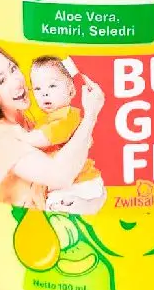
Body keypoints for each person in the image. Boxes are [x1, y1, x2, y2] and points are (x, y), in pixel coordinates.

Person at [0, 43, 104, 210]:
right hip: (22, 223)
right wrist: (90, 115)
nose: (16, 82)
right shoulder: (2, 133)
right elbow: (61, 177)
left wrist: (92, 201)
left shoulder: (30, 124)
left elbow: (78, 171)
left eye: (13, 69)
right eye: (2, 80)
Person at [23, 55, 106, 215]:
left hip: (82, 182)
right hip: (78, 184)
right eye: (38, 89)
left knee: (55, 205)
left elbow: (45, 138)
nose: (44, 93)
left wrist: (21, 138)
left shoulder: (66, 116)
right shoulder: (48, 119)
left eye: (52, 86)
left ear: (71, 91)